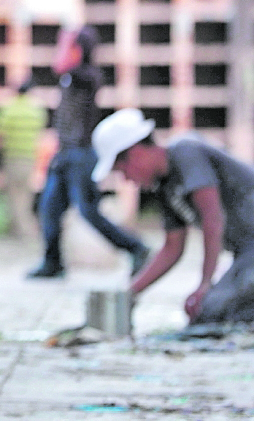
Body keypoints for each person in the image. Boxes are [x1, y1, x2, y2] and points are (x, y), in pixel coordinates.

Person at [96, 109, 254, 326]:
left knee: (216, 310)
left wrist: (205, 284)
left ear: (135, 153)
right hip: (247, 253)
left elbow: (212, 218)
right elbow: (172, 247)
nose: (127, 179)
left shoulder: (185, 152)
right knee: (206, 314)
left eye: (123, 170)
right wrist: (130, 294)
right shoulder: (164, 186)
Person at [29, 26, 149, 278]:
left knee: (88, 212)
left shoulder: (87, 76)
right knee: (49, 209)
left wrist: (68, 41)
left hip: (81, 155)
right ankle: (53, 262)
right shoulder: (69, 77)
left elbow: (61, 65)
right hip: (64, 154)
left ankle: (136, 248)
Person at [0, 77, 48, 240]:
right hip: (29, 156)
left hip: (12, 156)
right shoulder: (36, 109)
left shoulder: (8, 108)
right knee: (26, 194)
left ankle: (19, 231)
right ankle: (24, 230)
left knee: (13, 195)